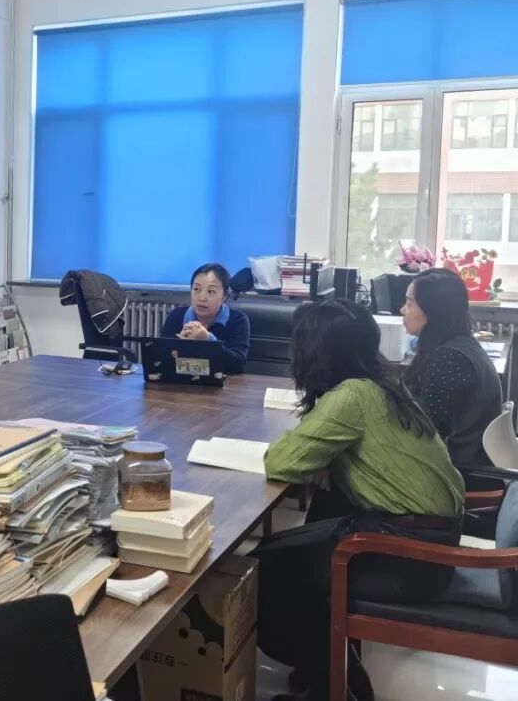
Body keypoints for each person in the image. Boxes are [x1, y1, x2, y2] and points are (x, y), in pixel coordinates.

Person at [252, 300, 464, 701]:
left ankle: (338, 684)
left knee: (266, 569)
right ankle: (325, 673)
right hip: (429, 539)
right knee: (289, 544)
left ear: (317, 353)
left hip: (409, 558)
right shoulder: (383, 384)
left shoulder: (352, 395)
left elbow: (281, 462)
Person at [402, 267, 502, 477]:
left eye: (410, 304)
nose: (402, 310)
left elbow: (425, 433)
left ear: (434, 312)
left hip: (459, 473)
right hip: (465, 463)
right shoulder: (459, 344)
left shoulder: (449, 359)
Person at [160, 263, 250, 374]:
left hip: (222, 383)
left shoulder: (238, 320)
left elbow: (238, 365)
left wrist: (208, 340)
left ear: (225, 296)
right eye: (196, 289)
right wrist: (180, 344)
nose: (202, 298)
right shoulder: (176, 316)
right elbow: (160, 360)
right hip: (181, 382)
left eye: (211, 291)